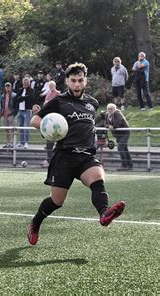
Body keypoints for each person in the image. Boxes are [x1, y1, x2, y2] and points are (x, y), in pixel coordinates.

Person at [28, 62, 126, 246]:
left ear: (85, 81)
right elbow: (35, 119)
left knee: (98, 179)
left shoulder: (92, 103)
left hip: (86, 155)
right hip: (65, 157)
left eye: (80, 80)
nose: (77, 84)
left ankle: (105, 213)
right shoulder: (58, 101)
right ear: (67, 81)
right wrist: (49, 130)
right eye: (73, 80)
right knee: (57, 201)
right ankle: (35, 223)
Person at [104, 103, 133, 171]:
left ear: (115, 109)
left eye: (111, 109)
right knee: (124, 148)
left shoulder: (118, 114)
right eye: (108, 109)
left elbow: (117, 124)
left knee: (120, 148)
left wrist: (112, 126)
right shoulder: (106, 115)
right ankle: (130, 164)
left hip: (124, 133)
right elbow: (105, 124)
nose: (110, 110)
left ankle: (124, 165)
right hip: (118, 135)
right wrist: (109, 126)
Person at [15, 77, 34, 149]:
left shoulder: (31, 90)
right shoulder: (20, 90)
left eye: (27, 82)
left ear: (29, 83)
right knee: (20, 126)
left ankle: (26, 142)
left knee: (26, 127)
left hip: (27, 110)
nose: (26, 84)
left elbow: (30, 98)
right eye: (24, 82)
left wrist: (22, 98)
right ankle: (21, 142)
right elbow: (17, 98)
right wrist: (23, 98)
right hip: (20, 110)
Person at [0, 82, 17, 148]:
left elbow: (16, 106)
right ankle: (8, 142)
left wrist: (14, 113)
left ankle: (13, 142)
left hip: (11, 113)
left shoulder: (14, 95)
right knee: (6, 129)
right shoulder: (2, 96)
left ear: (11, 87)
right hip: (4, 114)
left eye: (9, 86)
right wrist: (1, 112)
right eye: (6, 87)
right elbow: (1, 105)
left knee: (13, 129)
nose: (7, 88)